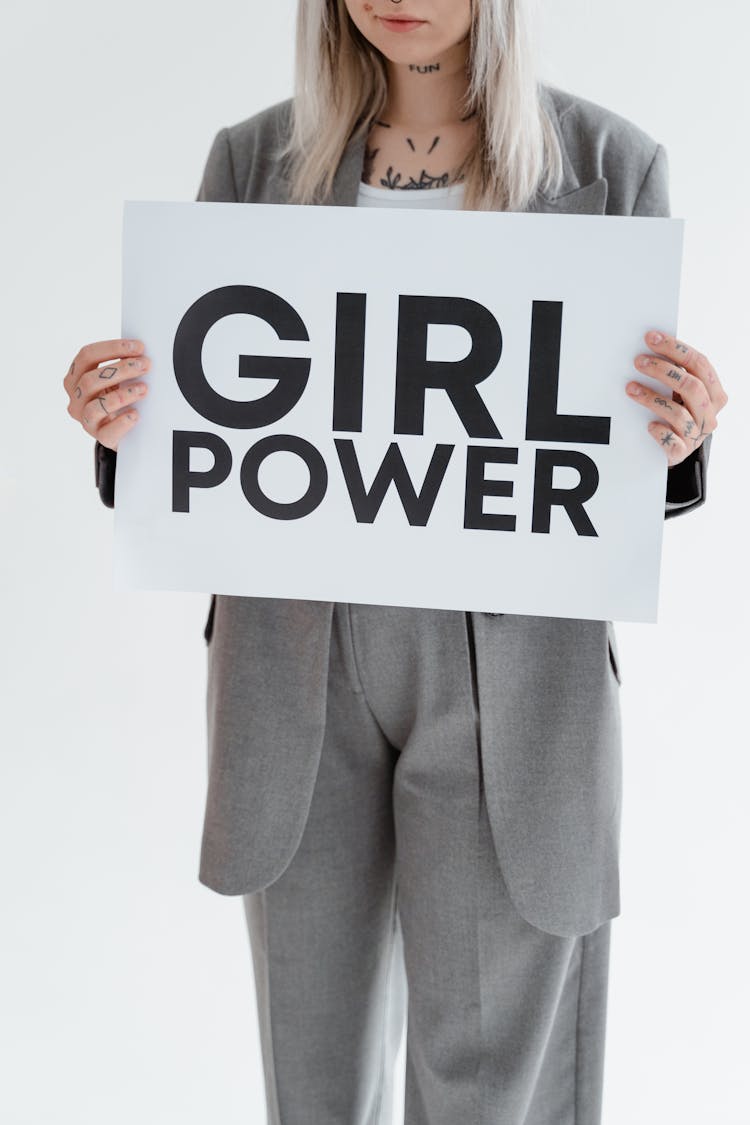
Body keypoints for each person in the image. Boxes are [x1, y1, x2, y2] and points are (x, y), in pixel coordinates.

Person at [63, 2, 728, 1123]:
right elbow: (207, 452)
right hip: (293, 662)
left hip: (514, 680)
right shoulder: (251, 161)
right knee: (311, 1076)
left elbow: (610, 475)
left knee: (491, 1087)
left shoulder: (612, 167)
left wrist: (681, 438)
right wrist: (122, 423)